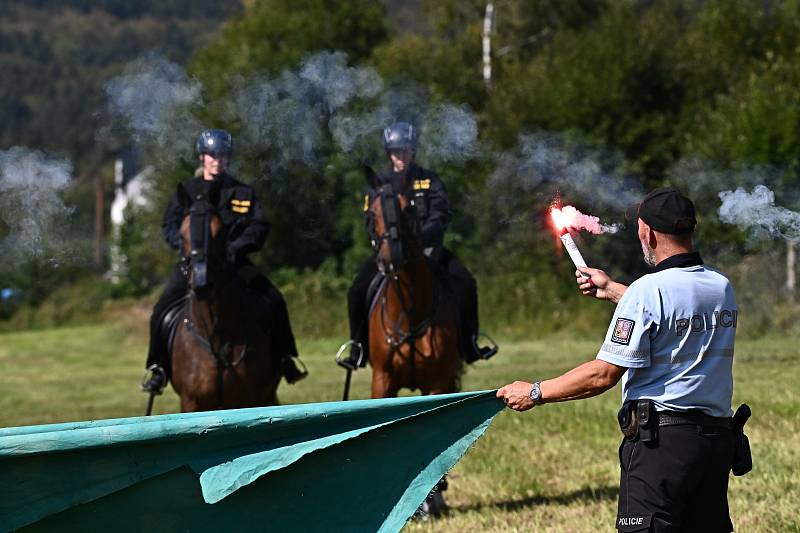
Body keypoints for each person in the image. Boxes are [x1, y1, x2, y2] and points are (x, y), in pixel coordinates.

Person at [498, 188, 745, 532]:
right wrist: (611, 288)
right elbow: (672, 314)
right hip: (715, 443)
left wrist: (535, 392)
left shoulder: (648, 291)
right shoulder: (720, 286)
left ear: (648, 233)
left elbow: (603, 375)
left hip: (662, 447)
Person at [141, 129, 307, 393]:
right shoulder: (186, 190)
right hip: (193, 265)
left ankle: (286, 359)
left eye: (222, 155)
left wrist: (235, 248)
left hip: (235, 264)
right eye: (212, 155)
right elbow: (169, 225)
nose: (217, 160)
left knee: (274, 300)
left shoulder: (242, 192)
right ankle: (158, 368)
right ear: (202, 157)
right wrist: (184, 249)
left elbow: (259, 226)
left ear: (228, 159)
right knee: (161, 309)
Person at [337, 121, 497, 370]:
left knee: (466, 282)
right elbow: (370, 218)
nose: (400, 156)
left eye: (405, 150)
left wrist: (420, 238)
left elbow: (442, 213)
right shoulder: (379, 184)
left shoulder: (428, 180)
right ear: (388, 153)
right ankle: (358, 346)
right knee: (357, 290)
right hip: (391, 253)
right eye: (395, 151)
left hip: (429, 251)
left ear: (413, 151)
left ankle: (470, 342)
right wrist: (382, 242)